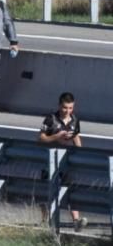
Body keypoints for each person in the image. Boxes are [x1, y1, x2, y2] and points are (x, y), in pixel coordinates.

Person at [38, 92, 87, 231]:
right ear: (59, 105)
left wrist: (80, 154)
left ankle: (76, 221)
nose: (67, 111)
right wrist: (56, 136)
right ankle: (44, 220)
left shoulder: (75, 120)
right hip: (49, 160)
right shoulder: (50, 119)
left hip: (67, 162)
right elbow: (40, 138)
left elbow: (77, 137)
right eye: (65, 108)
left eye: (71, 108)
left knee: (71, 189)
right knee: (46, 190)